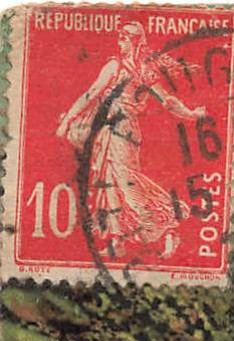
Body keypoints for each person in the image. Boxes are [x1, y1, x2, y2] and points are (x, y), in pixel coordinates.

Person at [54, 22, 206, 261]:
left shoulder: (142, 73)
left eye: (124, 39)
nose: (120, 43)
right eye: (119, 38)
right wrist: (68, 120)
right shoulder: (114, 65)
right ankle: (118, 242)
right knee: (110, 185)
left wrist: (191, 114)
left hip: (124, 132)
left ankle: (168, 225)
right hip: (108, 130)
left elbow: (167, 100)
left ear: (135, 42)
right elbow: (91, 93)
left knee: (128, 186)